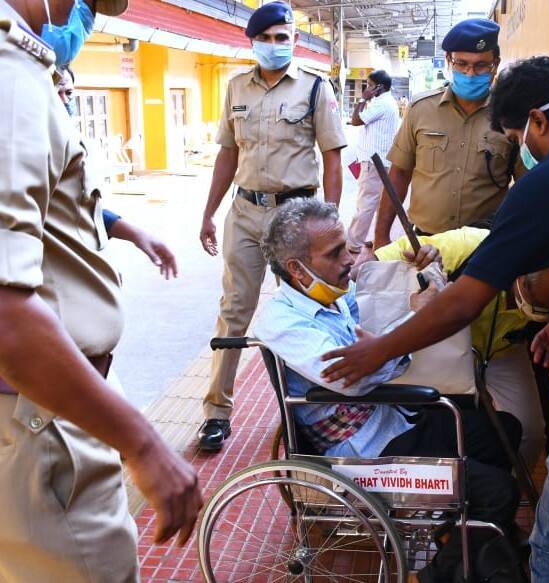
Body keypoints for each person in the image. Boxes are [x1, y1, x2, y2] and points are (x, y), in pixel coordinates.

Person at [319, 57, 549, 582]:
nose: (523, 149)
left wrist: (376, 350)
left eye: (519, 134)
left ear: (539, 122)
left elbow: (463, 301)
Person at [0, 0, 202, 581]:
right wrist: (143, 444)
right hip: (39, 416)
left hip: (51, 402)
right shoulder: (11, 72)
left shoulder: (27, 67)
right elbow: (6, 309)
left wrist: (124, 227)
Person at [251, 199, 524, 583]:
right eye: (335, 253)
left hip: (392, 419)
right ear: (296, 268)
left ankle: (470, 537)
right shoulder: (281, 322)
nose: (349, 259)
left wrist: (418, 288)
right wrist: (416, 318)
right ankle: (437, 571)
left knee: (504, 431)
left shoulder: (333, 295)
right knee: (498, 491)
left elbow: (374, 338)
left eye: (347, 246)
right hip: (364, 449)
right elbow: (355, 376)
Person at [197, 1, 347, 451]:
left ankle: (310, 407)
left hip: (296, 218)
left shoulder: (316, 89)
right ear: (253, 42)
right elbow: (228, 154)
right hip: (244, 212)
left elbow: (332, 156)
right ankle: (216, 413)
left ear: (294, 42)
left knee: (308, 309)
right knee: (235, 308)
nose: (276, 46)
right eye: (267, 38)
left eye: (284, 38)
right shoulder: (236, 88)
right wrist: (208, 210)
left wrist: (331, 221)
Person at [361, 226, 549, 469]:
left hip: (502, 353)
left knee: (530, 434)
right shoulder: (473, 246)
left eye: (543, 312)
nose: (530, 312)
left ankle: (512, 491)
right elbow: (381, 262)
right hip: (435, 348)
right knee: (440, 426)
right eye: (529, 298)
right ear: (519, 270)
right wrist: (416, 261)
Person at [372, 18, 516, 248]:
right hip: (424, 242)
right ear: (449, 61)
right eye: (462, 63)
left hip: (483, 246)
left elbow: (525, 184)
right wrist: (381, 236)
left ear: (495, 64)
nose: (470, 73)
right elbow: (398, 175)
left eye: (480, 65)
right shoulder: (421, 109)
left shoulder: (510, 117)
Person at [56, 65, 178, 279]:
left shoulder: (67, 142)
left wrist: (137, 234)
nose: (65, 102)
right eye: (55, 92)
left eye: (69, 93)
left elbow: (82, 210)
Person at [347, 69, 400, 253]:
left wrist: (362, 99)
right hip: (379, 161)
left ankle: (353, 244)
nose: (367, 88)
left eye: (370, 85)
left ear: (380, 87)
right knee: (376, 203)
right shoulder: (386, 102)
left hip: (374, 162)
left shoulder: (382, 104)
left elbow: (355, 121)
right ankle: (377, 239)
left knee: (366, 204)